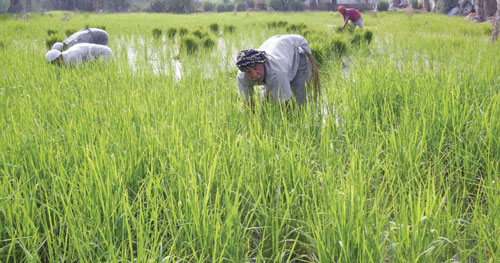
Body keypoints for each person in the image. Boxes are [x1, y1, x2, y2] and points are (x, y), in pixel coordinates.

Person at [236, 34, 320, 111]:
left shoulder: (277, 73)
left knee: (298, 105)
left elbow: (285, 105)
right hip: (275, 46)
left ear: (263, 62)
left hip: (296, 48)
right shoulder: (242, 76)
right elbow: (249, 106)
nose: (254, 75)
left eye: (255, 68)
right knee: (266, 105)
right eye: (248, 72)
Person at [45, 43, 113, 66]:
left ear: (58, 58)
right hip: (95, 57)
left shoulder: (72, 57)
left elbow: (81, 73)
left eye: (53, 63)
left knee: (106, 74)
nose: (54, 65)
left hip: (104, 53)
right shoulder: (66, 57)